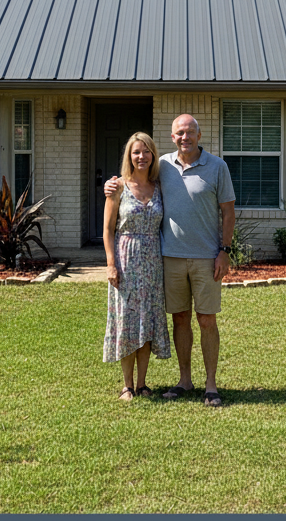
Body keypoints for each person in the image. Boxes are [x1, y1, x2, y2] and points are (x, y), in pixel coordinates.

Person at [105, 114, 236, 407]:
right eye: (179, 133)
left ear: (199, 136)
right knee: (180, 319)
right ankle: (184, 380)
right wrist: (110, 186)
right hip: (170, 258)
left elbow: (228, 211)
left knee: (206, 320)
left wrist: (224, 250)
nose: (184, 138)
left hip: (206, 258)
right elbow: (130, 181)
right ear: (172, 137)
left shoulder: (217, 167)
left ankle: (211, 385)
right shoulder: (162, 165)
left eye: (189, 132)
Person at [103, 132, 170, 400]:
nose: (141, 156)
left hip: (153, 262)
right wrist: (110, 264)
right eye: (136, 152)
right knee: (127, 321)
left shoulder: (160, 187)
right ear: (129, 157)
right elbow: (108, 230)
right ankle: (127, 385)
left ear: (153, 155)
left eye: (146, 151)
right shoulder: (118, 187)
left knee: (148, 321)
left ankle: (143, 384)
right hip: (125, 260)